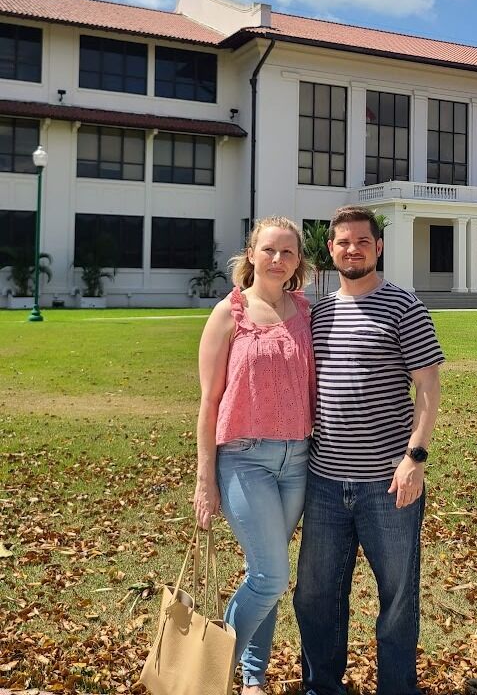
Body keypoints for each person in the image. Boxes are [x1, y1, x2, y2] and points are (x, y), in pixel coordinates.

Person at [294, 205, 444, 695]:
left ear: (378, 247)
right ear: (331, 250)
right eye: (342, 242)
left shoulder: (404, 306)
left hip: (389, 483)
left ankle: (397, 688)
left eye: (361, 241)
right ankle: (321, 687)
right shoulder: (320, 312)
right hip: (324, 482)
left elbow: (428, 388)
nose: (352, 248)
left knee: (398, 597)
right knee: (316, 596)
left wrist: (414, 460)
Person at [193, 216, 315, 695]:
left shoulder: (306, 311)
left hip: (298, 461)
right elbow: (208, 402)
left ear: (298, 261)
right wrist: (205, 481)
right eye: (269, 250)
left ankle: (252, 677)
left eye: (288, 252)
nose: (278, 259)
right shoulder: (230, 312)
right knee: (271, 575)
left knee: (264, 573)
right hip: (244, 459)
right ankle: (210, 671)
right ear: (251, 253)